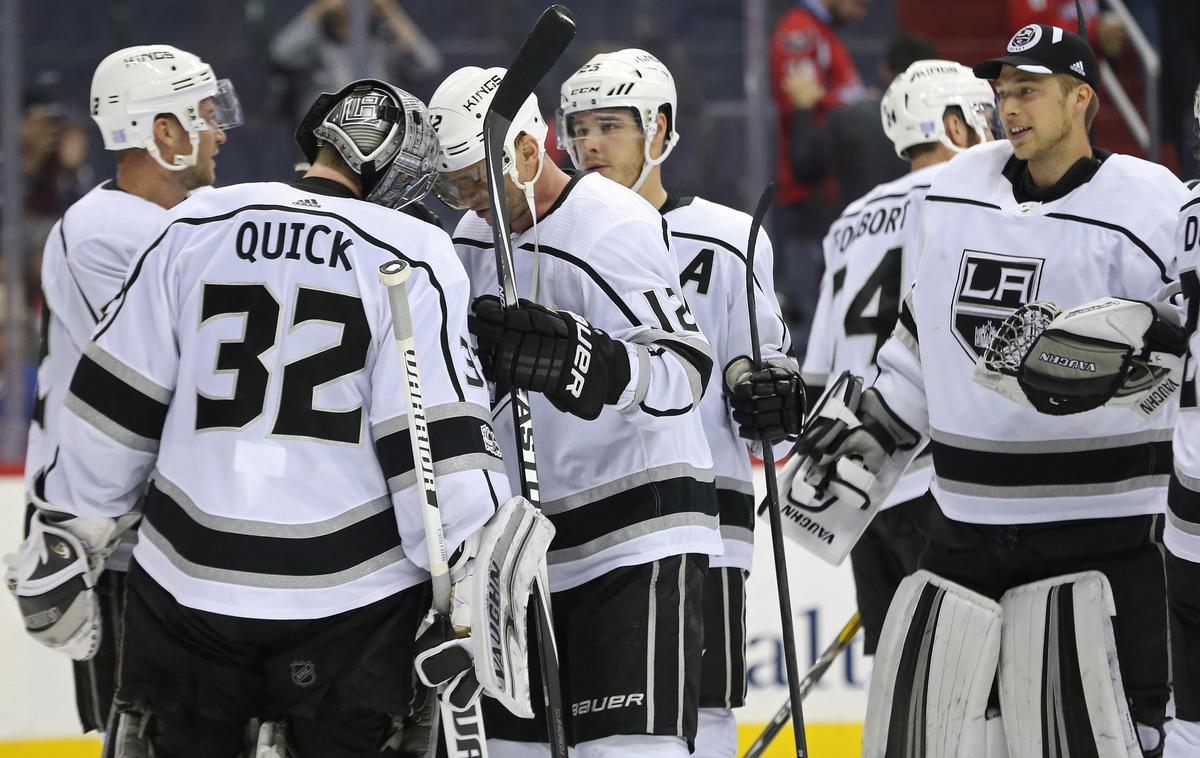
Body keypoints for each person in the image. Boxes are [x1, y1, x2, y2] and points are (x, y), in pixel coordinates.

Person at [6, 77, 516, 758]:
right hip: (348, 602)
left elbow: (115, 398)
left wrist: (73, 527)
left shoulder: (196, 222)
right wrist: (465, 573)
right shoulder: (412, 254)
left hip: (188, 585)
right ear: (393, 169)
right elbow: (435, 439)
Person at [778, 24, 1186, 756]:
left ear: (1082, 98)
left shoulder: (1151, 205)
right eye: (1003, 92)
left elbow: (1181, 367)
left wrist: (1119, 372)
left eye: (1028, 89)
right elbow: (918, 342)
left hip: (1106, 533)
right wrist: (850, 454)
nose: (1010, 106)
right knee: (936, 739)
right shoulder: (954, 192)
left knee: (1117, 738)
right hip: (965, 525)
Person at [428, 64, 721, 758]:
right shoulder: (466, 244)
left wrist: (585, 361)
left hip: (637, 538)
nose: (467, 200)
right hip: (524, 555)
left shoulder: (613, 222)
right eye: (453, 185)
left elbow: (685, 371)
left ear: (528, 152)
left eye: (476, 178)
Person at [556, 49, 798, 758]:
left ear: (659, 130)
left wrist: (773, 396)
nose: (590, 144)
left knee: (704, 712)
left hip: (701, 524)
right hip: (576, 522)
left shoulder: (725, 238)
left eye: (610, 125)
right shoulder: (555, 236)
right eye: (578, 128)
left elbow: (766, 378)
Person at [9, 44, 242, 738]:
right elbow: (195, 378)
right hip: (114, 545)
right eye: (203, 116)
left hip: (162, 539)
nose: (220, 132)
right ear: (162, 133)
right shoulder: (105, 234)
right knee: (138, 731)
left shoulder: (182, 225)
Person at [799, 59, 996, 657]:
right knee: (968, 686)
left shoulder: (848, 222)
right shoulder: (973, 195)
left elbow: (818, 371)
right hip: (941, 479)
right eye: (982, 115)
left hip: (865, 488)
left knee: (897, 686)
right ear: (953, 125)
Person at [769, 0, 869, 355]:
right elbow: (800, 100)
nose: (865, 8)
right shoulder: (801, 32)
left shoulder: (823, 33)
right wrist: (855, 109)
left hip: (829, 196)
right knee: (811, 328)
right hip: (806, 198)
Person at [789, 32, 938, 215]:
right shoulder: (946, 123)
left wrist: (802, 110)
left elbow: (803, 169)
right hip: (921, 231)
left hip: (861, 231)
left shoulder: (847, 118)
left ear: (884, 68)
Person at [269, 0, 442, 123]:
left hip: (378, 125)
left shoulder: (381, 40)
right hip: (325, 129)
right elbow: (281, 53)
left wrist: (391, 11)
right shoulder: (318, 41)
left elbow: (429, 63)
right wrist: (320, 7)